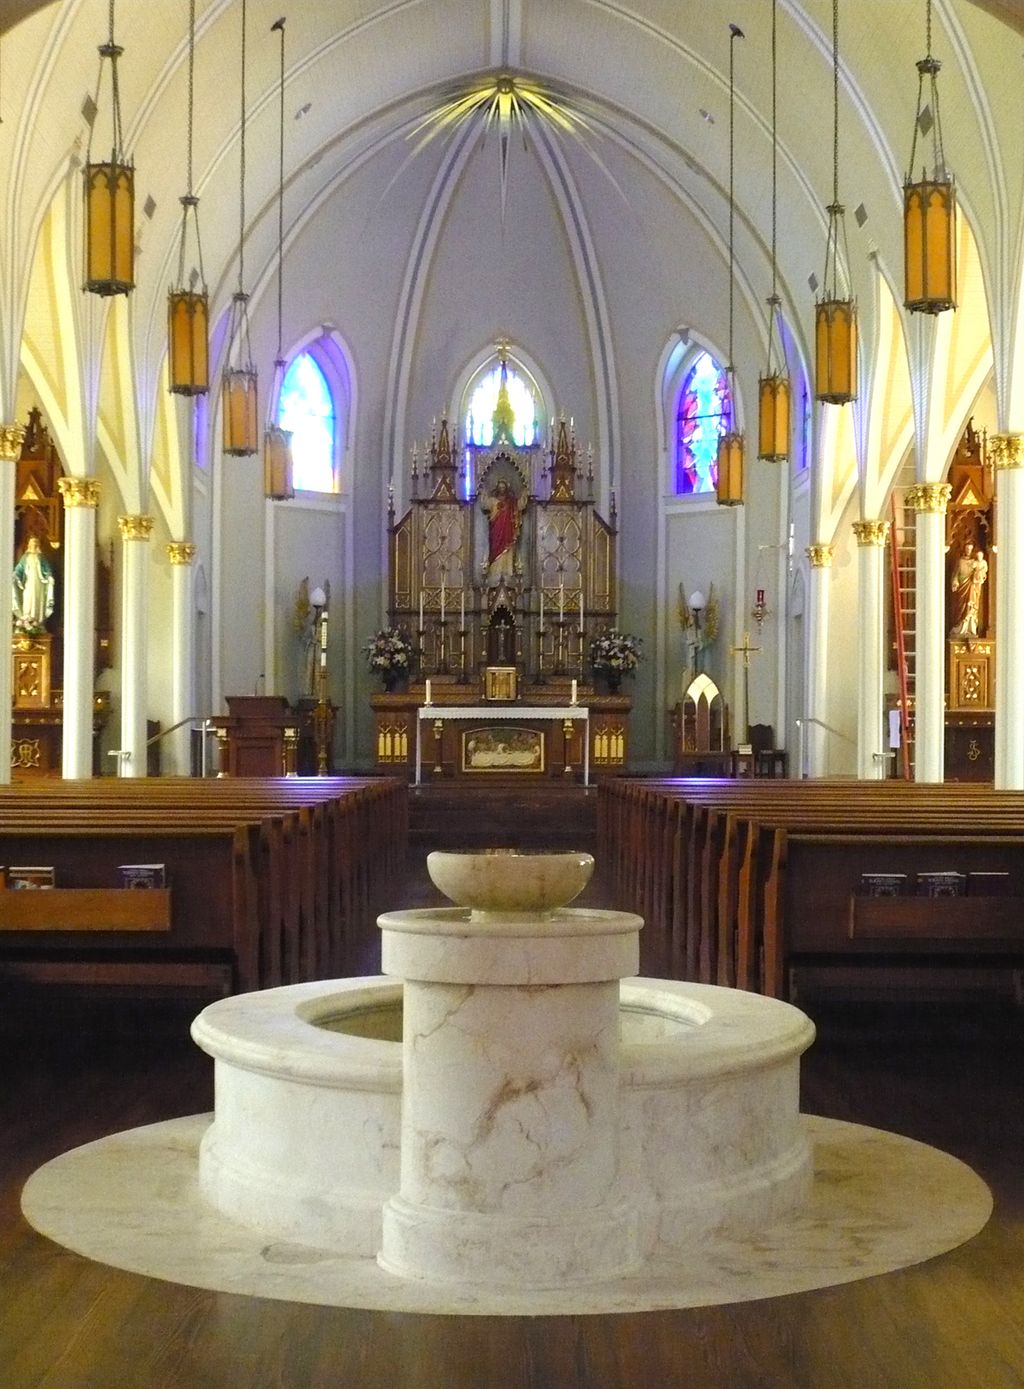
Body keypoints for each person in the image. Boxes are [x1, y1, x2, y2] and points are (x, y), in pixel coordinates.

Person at [480, 479, 525, 585]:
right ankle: (494, 573)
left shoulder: (512, 502)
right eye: (500, 487)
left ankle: (508, 573)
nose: (502, 489)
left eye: (503, 487)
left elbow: (521, 505)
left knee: (508, 551)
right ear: (497, 488)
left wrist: (525, 493)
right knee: (495, 551)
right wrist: (483, 492)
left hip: (508, 533)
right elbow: (484, 505)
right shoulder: (493, 500)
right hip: (496, 532)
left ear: (506, 489)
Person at [12, 536, 55, 632]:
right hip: (28, 583)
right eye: (32, 544)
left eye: (35, 544)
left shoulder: (41, 558)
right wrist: (15, 575)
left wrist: (49, 576)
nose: (34, 546)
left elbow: (47, 569)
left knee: (38, 599)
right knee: (28, 598)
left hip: (39, 584)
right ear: (29, 545)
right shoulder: (25, 557)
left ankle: (37, 621)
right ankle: (27, 618)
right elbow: (19, 569)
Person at [949, 539, 988, 639]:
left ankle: (971, 628)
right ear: (964, 549)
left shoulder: (975, 562)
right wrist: (955, 582)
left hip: (973, 587)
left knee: (972, 607)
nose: (968, 551)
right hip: (962, 587)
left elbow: (982, 573)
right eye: (967, 549)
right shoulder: (960, 561)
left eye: (970, 549)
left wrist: (979, 575)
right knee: (961, 607)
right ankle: (960, 628)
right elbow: (955, 574)